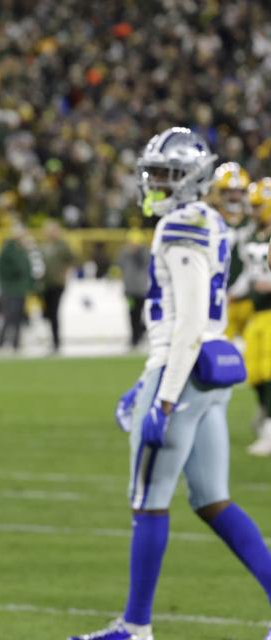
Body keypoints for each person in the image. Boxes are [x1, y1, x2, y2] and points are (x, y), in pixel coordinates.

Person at [73, 128, 271, 640]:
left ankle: (136, 626)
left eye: (165, 174)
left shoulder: (180, 226)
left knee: (148, 498)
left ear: (190, 179)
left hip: (180, 373)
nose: (154, 182)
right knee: (212, 499)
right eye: (154, 172)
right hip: (210, 373)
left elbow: (184, 324)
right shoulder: (212, 222)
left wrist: (158, 395)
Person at [239, 178, 271, 456]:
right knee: (255, 373)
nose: (254, 210)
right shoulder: (250, 236)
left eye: (259, 205)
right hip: (256, 312)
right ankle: (266, 418)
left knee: (270, 370)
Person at [212, 162, 254, 340]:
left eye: (239, 192)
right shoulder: (211, 220)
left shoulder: (254, 222)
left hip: (251, 299)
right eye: (229, 192)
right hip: (220, 300)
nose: (235, 197)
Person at [0, 224, 34, 351]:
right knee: (8, 316)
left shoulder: (22, 250)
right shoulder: (8, 249)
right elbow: (2, 268)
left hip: (20, 288)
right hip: (10, 288)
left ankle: (16, 343)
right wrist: (15, 271)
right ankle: (1, 342)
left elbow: (28, 269)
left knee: (18, 317)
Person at [39, 220, 75, 352]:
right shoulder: (43, 246)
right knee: (47, 313)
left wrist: (64, 273)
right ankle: (50, 339)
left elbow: (71, 259)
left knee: (53, 312)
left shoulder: (62, 246)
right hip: (45, 284)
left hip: (57, 283)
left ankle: (56, 341)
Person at [115, 229, 151, 349]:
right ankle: (135, 338)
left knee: (139, 313)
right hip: (129, 290)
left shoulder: (144, 253)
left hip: (141, 290)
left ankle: (139, 334)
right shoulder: (124, 253)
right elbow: (118, 264)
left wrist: (136, 252)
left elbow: (144, 263)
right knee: (132, 314)